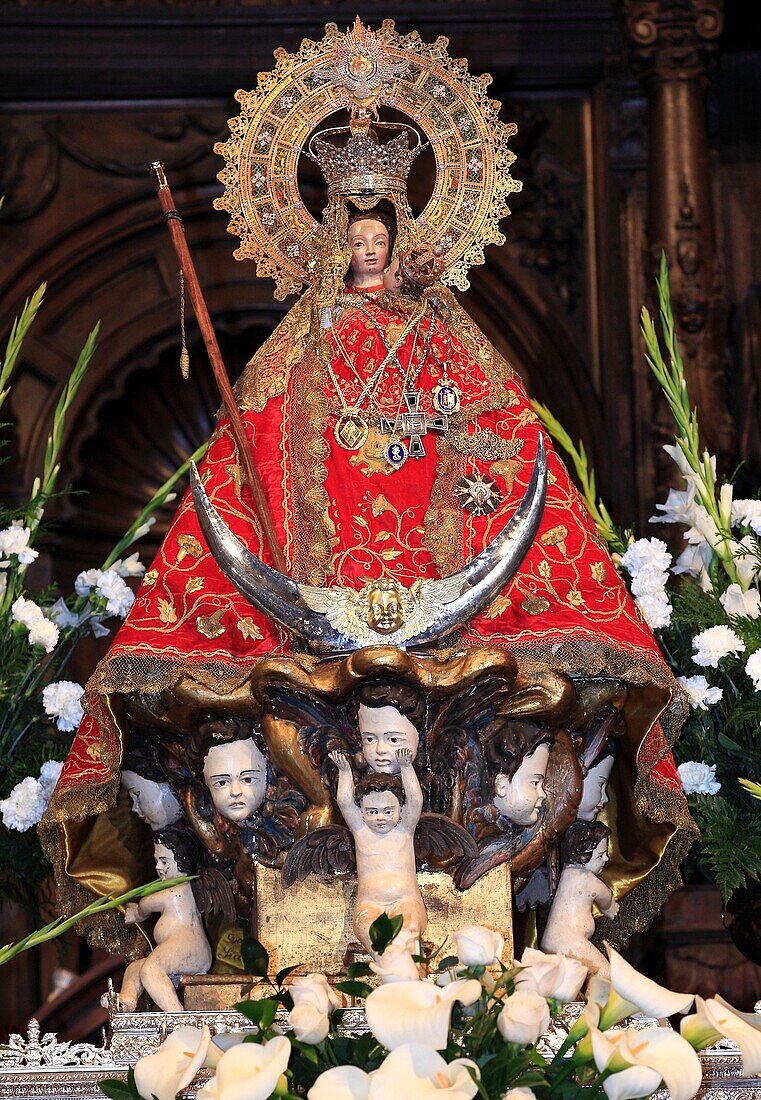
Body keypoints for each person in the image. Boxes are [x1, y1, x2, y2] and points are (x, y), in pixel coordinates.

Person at [42, 23, 694, 957]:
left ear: (408, 236)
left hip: (439, 574)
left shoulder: (443, 332)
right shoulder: (298, 346)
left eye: (382, 235)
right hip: (314, 571)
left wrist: (470, 479)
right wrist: (260, 507)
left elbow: (499, 432)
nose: (369, 253)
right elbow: (251, 450)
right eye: (354, 238)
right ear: (328, 243)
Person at [330, 748, 425, 954]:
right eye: (372, 812)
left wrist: (406, 767)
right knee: (371, 934)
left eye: (387, 811)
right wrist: (345, 772)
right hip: (369, 905)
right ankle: (390, 973)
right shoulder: (361, 831)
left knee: (408, 932)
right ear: (362, 812)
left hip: (406, 902)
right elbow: (345, 802)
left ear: (400, 809)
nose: (380, 818)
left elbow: (415, 801)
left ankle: (410, 976)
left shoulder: (404, 830)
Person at [112, 829, 212, 1012]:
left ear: (182, 861)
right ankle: (127, 999)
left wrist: (138, 913)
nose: (158, 867)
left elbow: (148, 903)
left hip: (191, 950)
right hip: (181, 951)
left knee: (150, 970)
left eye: (165, 861)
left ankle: (177, 1017)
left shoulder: (179, 890)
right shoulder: (177, 887)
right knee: (136, 968)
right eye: (157, 861)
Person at [541, 821, 618, 979]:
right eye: (600, 855)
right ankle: (597, 1003)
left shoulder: (567, 874)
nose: (606, 858)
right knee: (604, 973)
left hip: (554, 940)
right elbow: (606, 895)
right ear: (583, 856)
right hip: (567, 941)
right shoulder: (586, 878)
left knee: (564, 981)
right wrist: (609, 908)